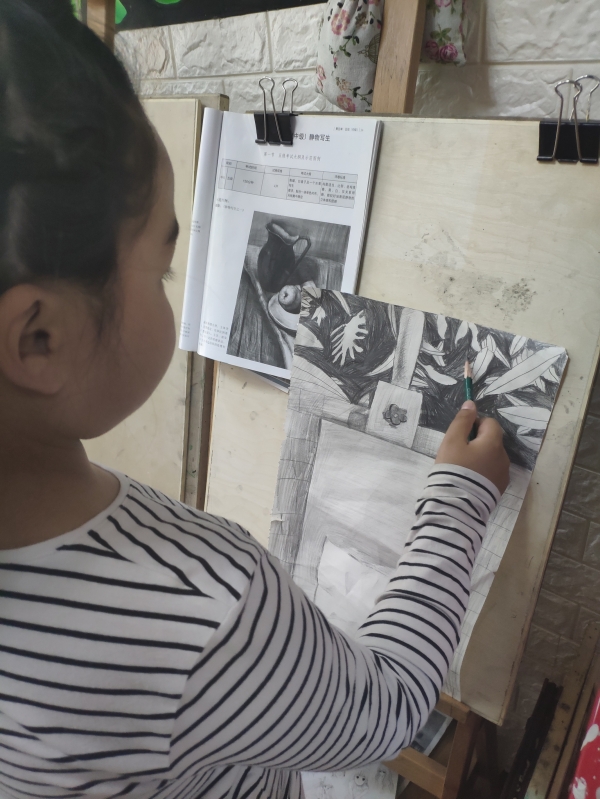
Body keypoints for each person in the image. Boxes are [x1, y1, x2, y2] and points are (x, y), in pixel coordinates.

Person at [0, 1, 510, 797]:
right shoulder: (202, 608)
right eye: (161, 268)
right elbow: (387, 708)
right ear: (40, 338)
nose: (171, 285)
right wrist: (458, 501)